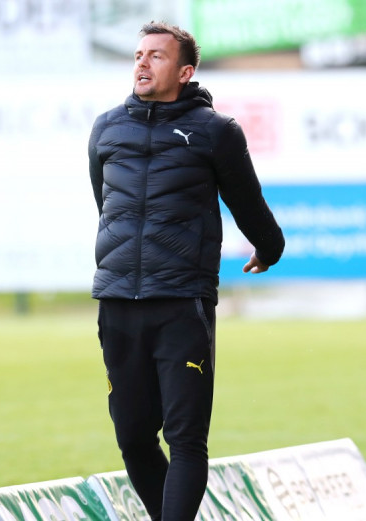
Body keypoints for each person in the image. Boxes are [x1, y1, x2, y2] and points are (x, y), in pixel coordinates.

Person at [87, 21, 284, 521]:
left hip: (181, 303)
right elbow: (106, 205)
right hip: (117, 302)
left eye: (156, 55)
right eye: (139, 54)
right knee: (134, 438)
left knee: (186, 440)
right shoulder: (106, 128)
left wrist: (270, 248)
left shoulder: (216, 131)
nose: (142, 62)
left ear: (185, 71)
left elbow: (248, 203)